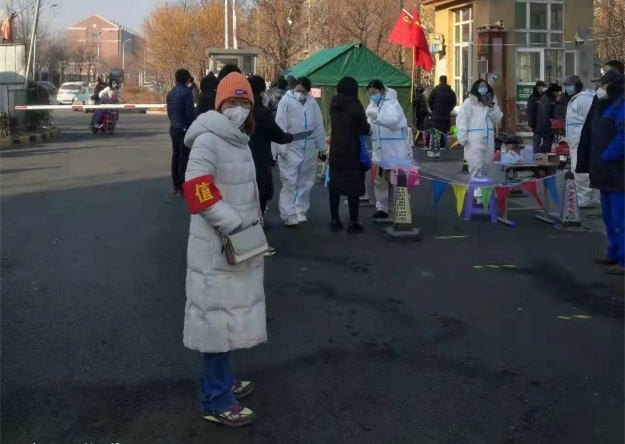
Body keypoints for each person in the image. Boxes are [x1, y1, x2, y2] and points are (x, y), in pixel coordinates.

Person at [182, 72, 264, 427]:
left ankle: (223, 381)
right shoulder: (208, 140)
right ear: (219, 104)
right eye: (232, 101)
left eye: (245, 102)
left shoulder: (238, 138)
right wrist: (235, 223)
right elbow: (197, 190)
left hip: (238, 243)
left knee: (227, 314)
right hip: (217, 245)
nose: (239, 108)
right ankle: (215, 399)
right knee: (215, 322)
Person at [247, 75, 296, 254]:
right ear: (262, 90)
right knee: (258, 197)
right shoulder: (261, 111)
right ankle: (255, 244)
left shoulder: (243, 108)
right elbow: (275, 133)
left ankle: (246, 242)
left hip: (242, 158)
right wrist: (288, 137)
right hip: (259, 157)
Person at [274, 77, 327, 226]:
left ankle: (300, 209)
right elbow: (280, 123)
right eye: (298, 90)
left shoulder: (312, 102)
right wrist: (281, 147)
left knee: (306, 180)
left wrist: (321, 146)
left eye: (303, 92)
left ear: (308, 92)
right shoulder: (286, 101)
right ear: (293, 88)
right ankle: (289, 214)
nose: (300, 94)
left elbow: (318, 124)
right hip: (291, 144)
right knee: (289, 181)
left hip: (308, 144)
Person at [328, 77, 371, 233]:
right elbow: (364, 128)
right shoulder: (356, 106)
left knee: (335, 186)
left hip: (336, 151)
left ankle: (335, 219)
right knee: (353, 187)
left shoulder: (333, 104)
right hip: (352, 152)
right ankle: (353, 221)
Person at [365, 79, 409, 220]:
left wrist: (377, 117)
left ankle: (399, 208)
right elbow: (369, 125)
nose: (372, 95)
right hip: (379, 150)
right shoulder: (370, 107)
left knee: (397, 179)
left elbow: (393, 121)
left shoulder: (392, 104)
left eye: (374, 92)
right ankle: (382, 208)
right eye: (370, 93)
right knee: (381, 180)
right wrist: (366, 128)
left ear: (382, 91)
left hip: (394, 149)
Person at [455, 79, 503, 201]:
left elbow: (497, 119)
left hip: (489, 137)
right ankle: (477, 192)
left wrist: (491, 108)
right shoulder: (469, 102)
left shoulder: (491, 102)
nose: (483, 88)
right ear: (476, 88)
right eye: (481, 86)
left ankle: (484, 190)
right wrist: (462, 136)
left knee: (486, 164)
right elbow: (462, 119)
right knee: (475, 164)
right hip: (474, 138)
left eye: (485, 86)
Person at [578, 60, 625, 176]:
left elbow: (622, 136)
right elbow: (590, 128)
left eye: (603, 85)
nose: (600, 88)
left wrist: (605, 157)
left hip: (614, 170)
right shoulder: (599, 101)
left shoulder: (620, 104)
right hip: (599, 167)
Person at [564, 75, 600, 208]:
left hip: (581, 140)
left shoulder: (584, 99)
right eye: (566, 85)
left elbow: (592, 119)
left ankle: (586, 196)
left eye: (570, 85)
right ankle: (590, 196)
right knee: (579, 170)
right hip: (576, 140)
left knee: (581, 171)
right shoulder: (576, 99)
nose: (567, 88)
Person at [166, 69, 195, 196]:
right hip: (184, 128)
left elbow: (169, 113)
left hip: (174, 127)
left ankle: (176, 185)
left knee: (176, 156)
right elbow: (190, 112)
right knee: (184, 157)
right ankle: (182, 187)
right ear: (187, 79)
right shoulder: (187, 92)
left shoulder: (170, 93)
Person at [534, 83, 562, 153]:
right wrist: (548, 124)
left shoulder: (549, 98)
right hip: (544, 125)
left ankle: (540, 154)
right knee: (547, 142)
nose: (558, 94)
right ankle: (539, 154)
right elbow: (544, 112)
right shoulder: (546, 99)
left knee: (547, 141)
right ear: (554, 92)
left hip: (544, 124)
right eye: (558, 92)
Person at [527, 80, 547, 151]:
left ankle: (544, 154)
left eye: (542, 88)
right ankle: (535, 154)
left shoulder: (546, 96)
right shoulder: (532, 97)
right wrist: (531, 124)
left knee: (546, 143)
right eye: (540, 88)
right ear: (537, 88)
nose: (541, 89)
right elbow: (530, 111)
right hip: (537, 124)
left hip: (545, 124)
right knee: (536, 141)